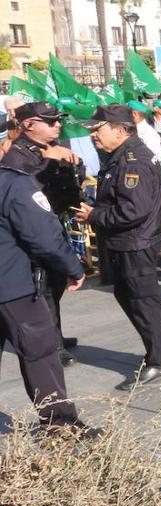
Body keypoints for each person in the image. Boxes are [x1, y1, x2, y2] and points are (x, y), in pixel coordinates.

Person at [74, 105, 161, 387]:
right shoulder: (120, 155)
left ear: (119, 131)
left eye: (98, 129)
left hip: (135, 241)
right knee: (129, 295)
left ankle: (158, 359)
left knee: (142, 300)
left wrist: (94, 216)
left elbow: (133, 210)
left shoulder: (133, 161)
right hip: (127, 240)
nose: (94, 135)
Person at [0, 163, 91, 432]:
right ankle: (60, 425)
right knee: (40, 352)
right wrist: (72, 267)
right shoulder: (12, 182)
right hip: (12, 285)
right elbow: (42, 235)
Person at [1, 101, 85, 366]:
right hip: (34, 232)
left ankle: (55, 334)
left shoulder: (53, 148)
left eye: (58, 120)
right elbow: (26, 195)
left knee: (55, 287)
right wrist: (49, 161)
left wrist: (72, 164)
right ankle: (52, 345)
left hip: (55, 222)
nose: (57, 125)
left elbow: (71, 184)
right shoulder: (17, 156)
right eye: (50, 121)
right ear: (28, 125)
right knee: (44, 289)